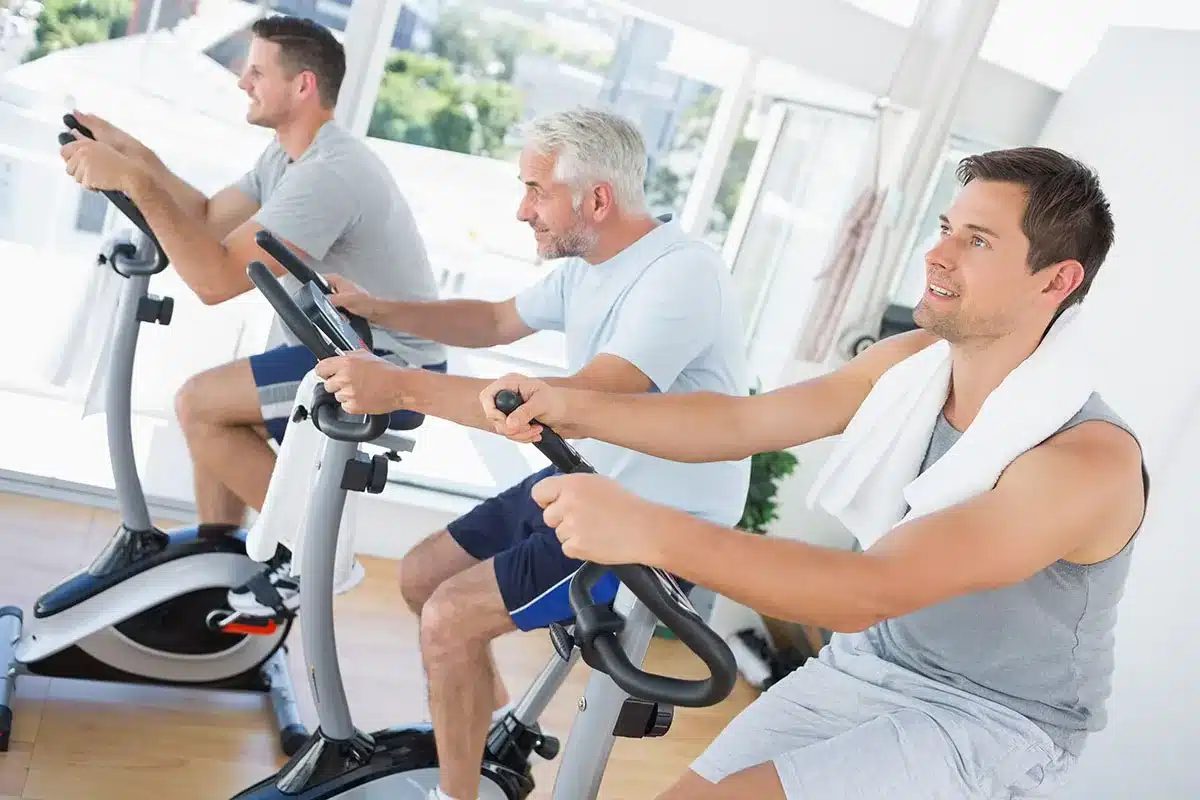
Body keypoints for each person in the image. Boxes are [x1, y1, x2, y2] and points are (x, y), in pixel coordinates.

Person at [478, 147, 1148, 799]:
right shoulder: (914, 363)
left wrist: (647, 530)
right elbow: (742, 425)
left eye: (977, 241)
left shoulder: (1086, 461)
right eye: (946, 229)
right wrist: (570, 406)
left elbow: (872, 588)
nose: (936, 254)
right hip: (870, 663)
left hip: (992, 719)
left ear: (1056, 280)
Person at [304, 107, 752, 800]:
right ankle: (486, 746)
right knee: (424, 576)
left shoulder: (680, 276)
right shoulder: (590, 265)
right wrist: (381, 309)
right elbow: (491, 320)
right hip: (591, 480)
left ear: (596, 199)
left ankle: (460, 794)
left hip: (652, 517)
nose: (522, 210)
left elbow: (585, 399)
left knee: (452, 618)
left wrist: (398, 385)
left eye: (537, 191)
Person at [58, 14, 447, 616]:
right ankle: (226, 564)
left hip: (392, 364)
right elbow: (211, 218)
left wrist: (133, 179)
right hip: (343, 345)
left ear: (303, 86)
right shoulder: (289, 157)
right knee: (215, 408)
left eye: (257, 70)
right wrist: (131, 153)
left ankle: (316, 556)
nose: (243, 81)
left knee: (200, 405)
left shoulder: (328, 176)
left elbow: (216, 280)